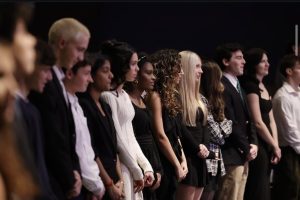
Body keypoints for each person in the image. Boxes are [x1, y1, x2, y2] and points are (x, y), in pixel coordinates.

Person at [29, 18, 90, 199]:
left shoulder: (58, 81)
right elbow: (53, 136)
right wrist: (69, 178)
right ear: (62, 43)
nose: (81, 57)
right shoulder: (46, 84)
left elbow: (69, 137)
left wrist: (75, 171)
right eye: (80, 49)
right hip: (53, 183)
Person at [100, 39, 154, 200]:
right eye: (133, 64)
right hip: (121, 167)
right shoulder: (107, 97)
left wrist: (146, 167)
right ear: (121, 66)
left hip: (132, 166)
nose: (137, 69)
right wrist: (136, 170)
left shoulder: (123, 95)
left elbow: (130, 137)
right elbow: (117, 139)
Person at [214, 43, 258, 200]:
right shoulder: (222, 86)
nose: (244, 61)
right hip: (231, 154)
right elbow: (230, 121)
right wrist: (246, 148)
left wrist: (253, 144)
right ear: (226, 62)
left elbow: (248, 119)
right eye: (238, 58)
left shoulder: (239, 85)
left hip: (243, 154)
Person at [79, 53, 124, 200]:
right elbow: (92, 150)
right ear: (91, 75)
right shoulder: (84, 106)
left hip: (114, 178)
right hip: (99, 181)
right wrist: (109, 184)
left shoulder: (105, 106)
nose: (111, 75)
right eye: (105, 71)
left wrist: (120, 179)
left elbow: (114, 148)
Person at [240, 48, 281, 200]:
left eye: (267, 61)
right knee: (259, 187)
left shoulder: (264, 86)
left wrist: (275, 145)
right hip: (259, 143)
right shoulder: (251, 86)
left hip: (269, 144)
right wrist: (274, 145)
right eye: (263, 61)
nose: (267, 64)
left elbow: (272, 120)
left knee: (265, 185)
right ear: (254, 64)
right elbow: (257, 122)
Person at [63, 59, 106, 200]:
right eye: (87, 73)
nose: (91, 79)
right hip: (80, 186)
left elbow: (87, 149)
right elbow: (80, 150)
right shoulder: (67, 105)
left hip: (90, 185)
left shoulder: (76, 103)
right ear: (70, 74)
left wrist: (97, 183)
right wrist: (96, 185)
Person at [125, 52, 163, 200]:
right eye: (148, 73)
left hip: (150, 159)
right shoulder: (126, 100)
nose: (153, 77)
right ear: (136, 74)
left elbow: (150, 136)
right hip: (136, 160)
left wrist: (157, 169)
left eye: (154, 73)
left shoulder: (142, 99)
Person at [176, 50, 210, 200]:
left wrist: (205, 146)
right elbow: (180, 129)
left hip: (200, 157)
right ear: (187, 68)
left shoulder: (199, 98)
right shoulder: (177, 98)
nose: (201, 71)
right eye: (197, 66)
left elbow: (205, 126)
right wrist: (197, 148)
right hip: (188, 155)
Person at [200, 60, 232, 200]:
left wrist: (226, 124)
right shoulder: (202, 101)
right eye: (219, 79)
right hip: (207, 161)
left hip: (216, 161)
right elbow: (219, 136)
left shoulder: (215, 103)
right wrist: (226, 124)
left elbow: (227, 125)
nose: (221, 84)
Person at [272, 54, 300, 200]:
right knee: (290, 190)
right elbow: (290, 131)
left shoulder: (298, 94)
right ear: (289, 71)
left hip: (297, 150)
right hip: (290, 152)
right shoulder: (283, 96)